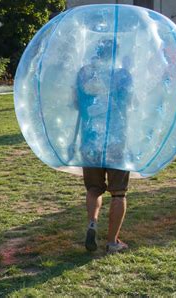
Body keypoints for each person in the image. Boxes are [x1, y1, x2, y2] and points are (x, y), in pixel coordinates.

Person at [75, 39, 133, 254]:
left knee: (93, 189)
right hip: (116, 141)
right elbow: (130, 103)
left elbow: (76, 103)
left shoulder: (84, 74)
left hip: (90, 140)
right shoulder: (122, 75)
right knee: (118, 193)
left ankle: (92, 223)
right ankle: (112, 242)